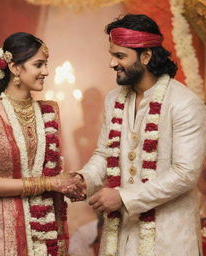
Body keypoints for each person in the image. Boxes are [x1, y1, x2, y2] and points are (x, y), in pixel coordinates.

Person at [77, 14, 206, 256]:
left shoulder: (184, 103)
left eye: (120, 56)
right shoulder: (113, 99)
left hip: (169, 238)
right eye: (112, 55)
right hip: (122, 235)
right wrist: (83, 179)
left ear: (146, 56)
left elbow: (185, 173)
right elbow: (105, 153)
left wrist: (124, 198)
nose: (112, 63)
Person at [0, 32, 83, 256]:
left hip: (44, 229)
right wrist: (51, 183)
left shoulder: (49, 111)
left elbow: (52, 170)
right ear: (15, 68)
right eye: (39, 64)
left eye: (46, 64)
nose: (46, 71)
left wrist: (68, 185)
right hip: (0, 233)